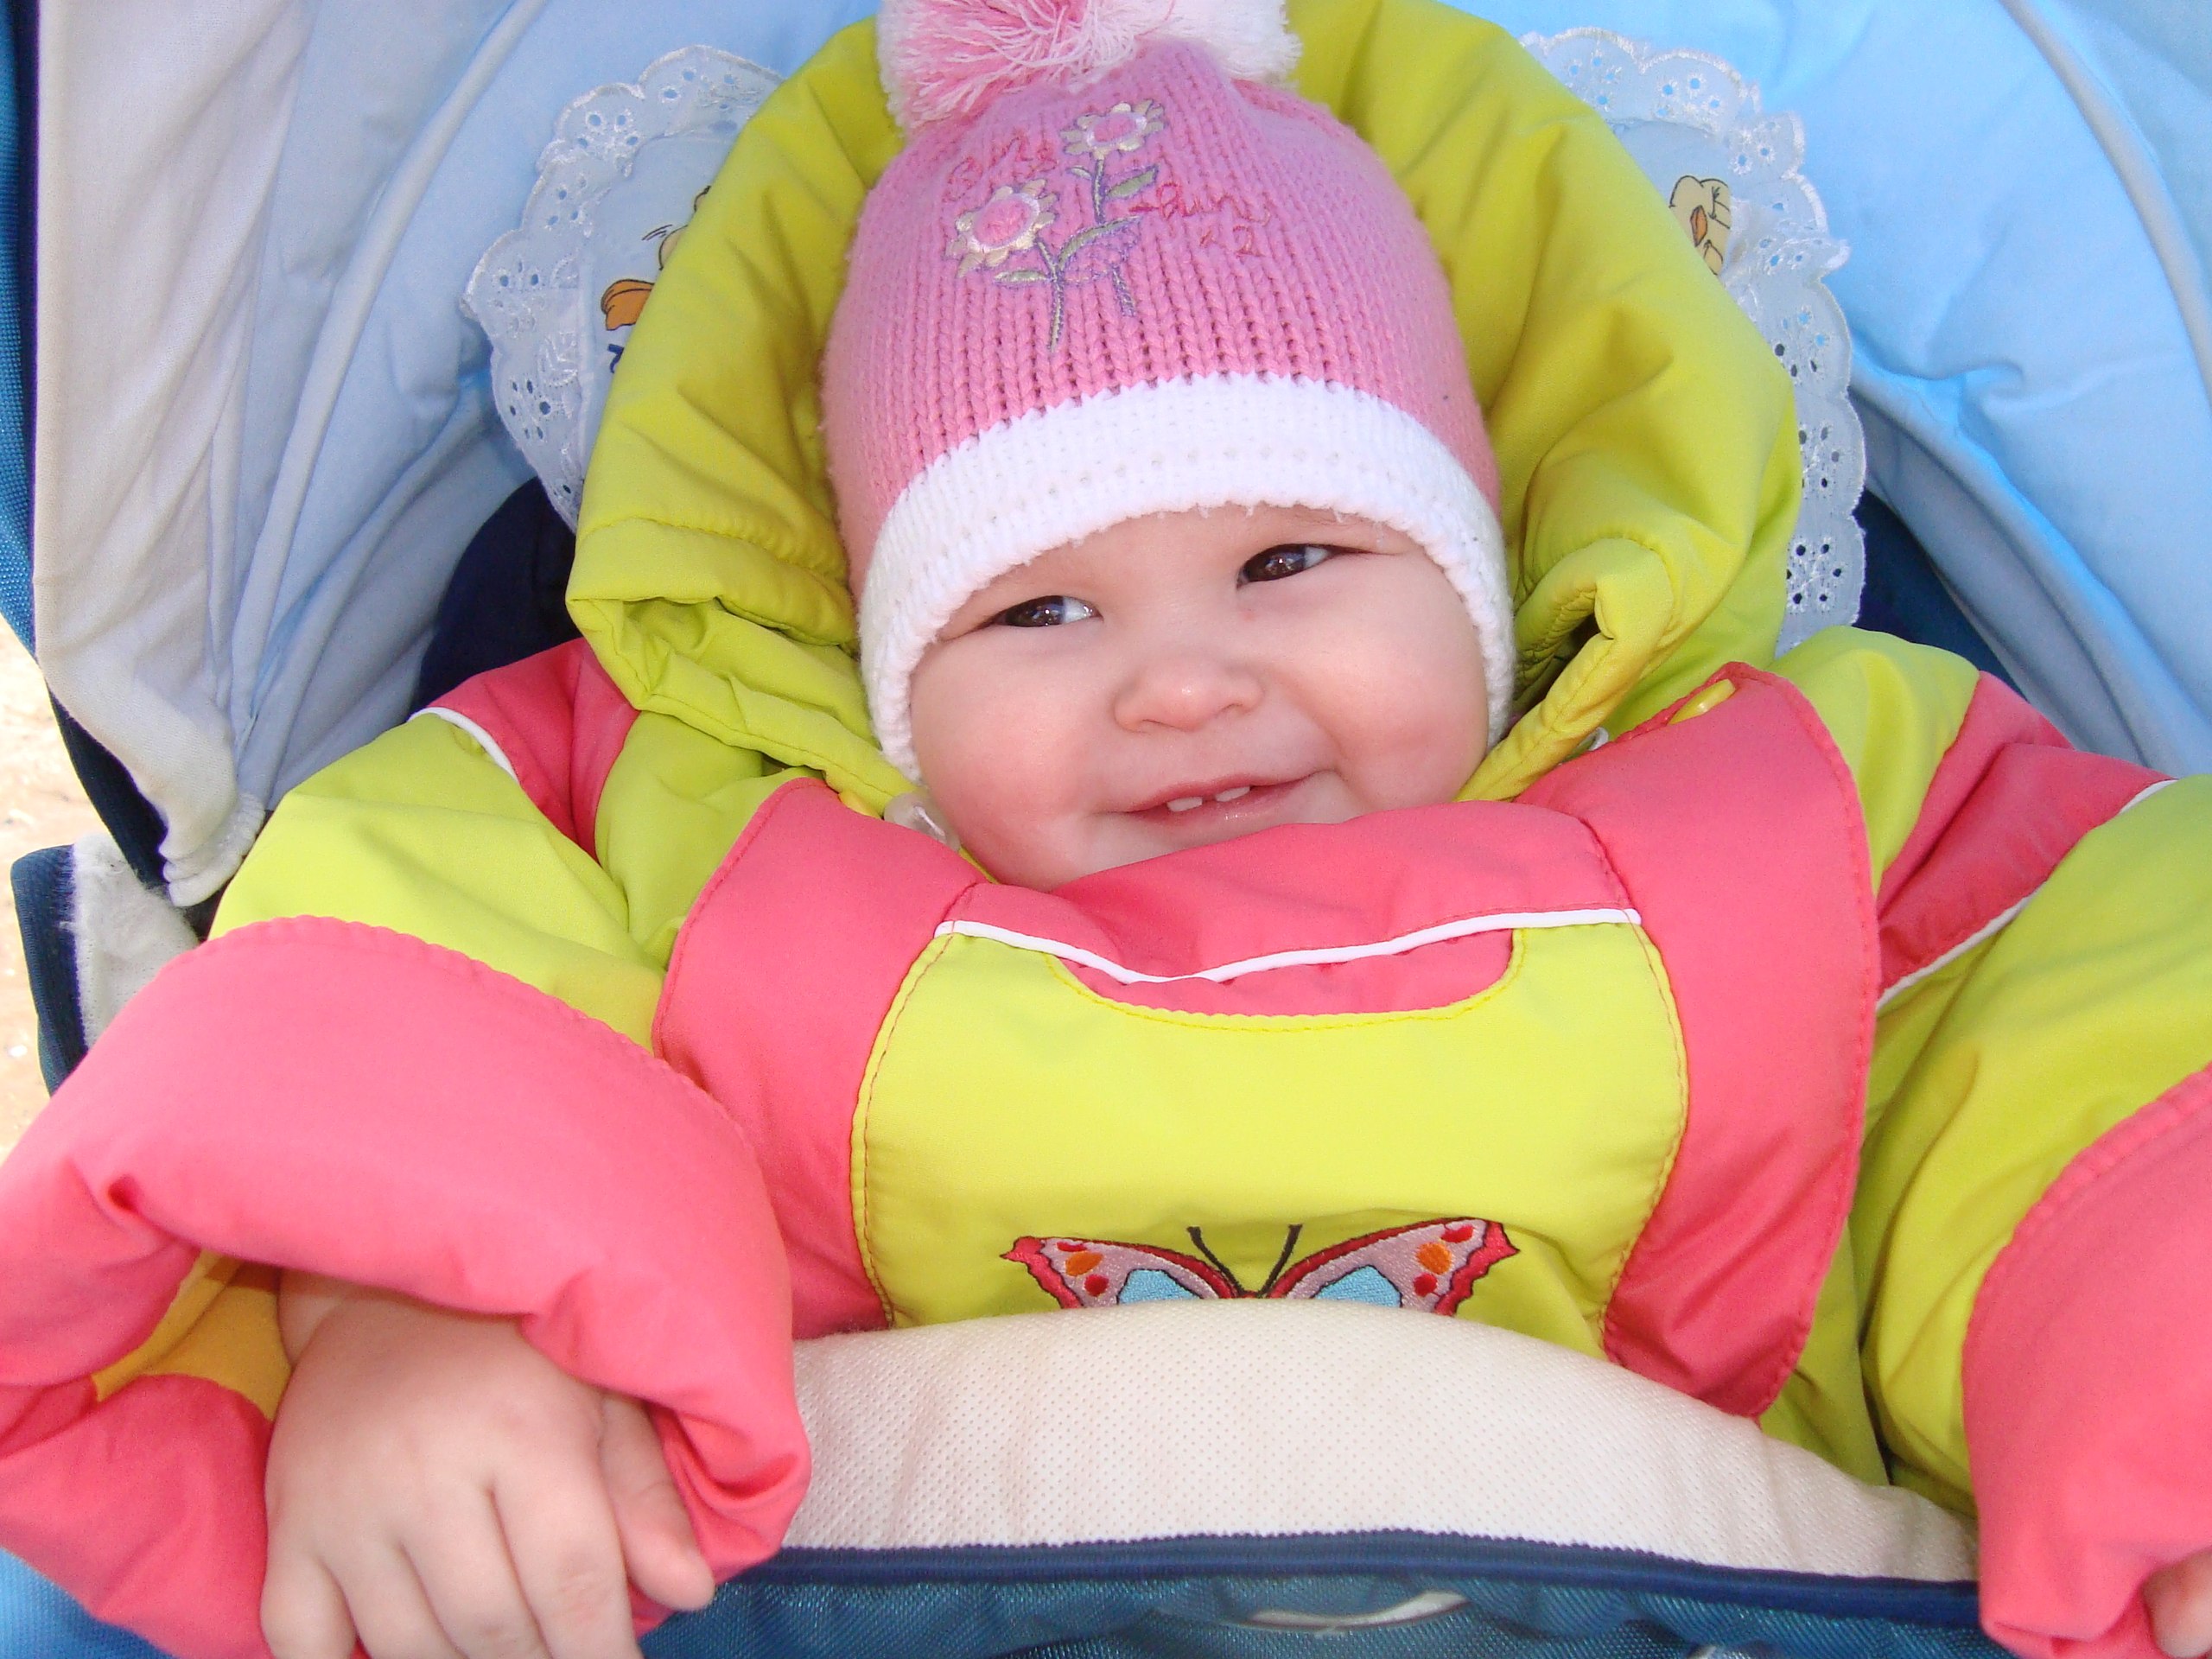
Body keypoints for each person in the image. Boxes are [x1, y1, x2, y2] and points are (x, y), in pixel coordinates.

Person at [1, 4, 2208, 1659]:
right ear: (878, 676)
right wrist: (409, 1314)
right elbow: (421, 973)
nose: (1176, 679)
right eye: (1033, 611)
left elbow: (2093, 1050)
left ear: (1484, 570)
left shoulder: (1798, 800)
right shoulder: (694, 830)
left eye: (1291, 562)